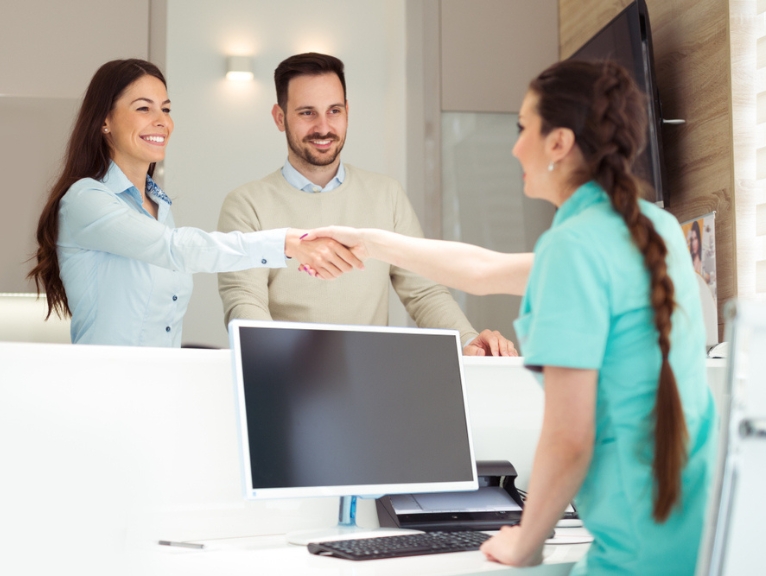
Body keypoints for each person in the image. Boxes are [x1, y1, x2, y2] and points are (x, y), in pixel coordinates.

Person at [304, 60, 717, 575]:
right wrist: (371, 242)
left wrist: (525, 541)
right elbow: (482, 270)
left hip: (636, 550)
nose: (515, 145)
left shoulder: (575, 246)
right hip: (698, 533)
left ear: (559, 143)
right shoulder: (653, 230)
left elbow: (569, 435)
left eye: (523, 129)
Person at [28, 59, 361, 347]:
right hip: (107, 389)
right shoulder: (86, 199)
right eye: (144, 108)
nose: (162, 120)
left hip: (162, 391)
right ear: (105, 121)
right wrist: (286, 242)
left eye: (166, 109)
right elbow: (176, 248)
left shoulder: (158, 206)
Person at [217, 52, 517, 356]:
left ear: (347, 111)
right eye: (307, 113)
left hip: (370, 381)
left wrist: (467, 340)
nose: (323, 127)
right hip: (285, 379)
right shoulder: (246, 204)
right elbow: (245, 302)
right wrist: (277, 365)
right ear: (280, 118)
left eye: (334, 110)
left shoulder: (387, 195)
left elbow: (424, 291)